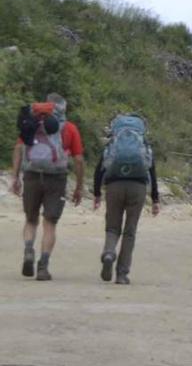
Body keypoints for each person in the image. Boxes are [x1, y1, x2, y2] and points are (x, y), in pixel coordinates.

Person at [11, 93, 85, 281]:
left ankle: (29, 249)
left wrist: (15, 177)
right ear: (63, 108)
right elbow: (78, 159)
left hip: (32, 175)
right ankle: (43, 267)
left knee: (30, 219)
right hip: (56, 179)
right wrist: (79, 186)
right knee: (49, 223)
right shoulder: (69, 128)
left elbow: (19, 149)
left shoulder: (32, 122)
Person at [92, 114, 159, 285]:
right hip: (138, 188)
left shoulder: (113, 142)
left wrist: (97, 193)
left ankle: (108, 253)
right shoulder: (143, 143)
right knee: (130, 232)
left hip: (114, 186)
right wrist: (155, 199)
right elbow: (151, 171)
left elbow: (99, 169)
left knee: (113, 227)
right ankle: (121, 274)